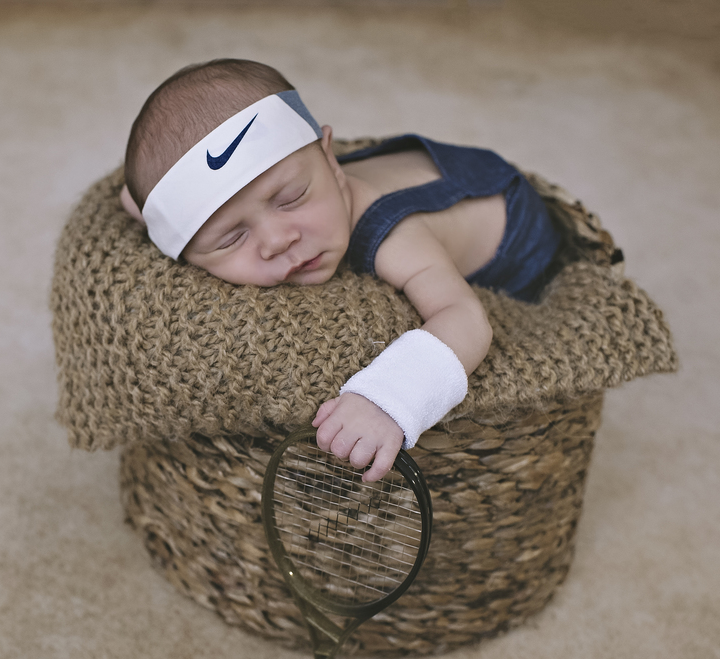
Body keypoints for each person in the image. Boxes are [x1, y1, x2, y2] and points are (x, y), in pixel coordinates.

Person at [119, 59, 560, 482]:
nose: (278, 240)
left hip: (514, 232)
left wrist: (389, 399)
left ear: (331, 160)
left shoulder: (394, 237)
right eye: (231, 237)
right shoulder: (290, 195)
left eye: (291, 198)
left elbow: (465, 317)